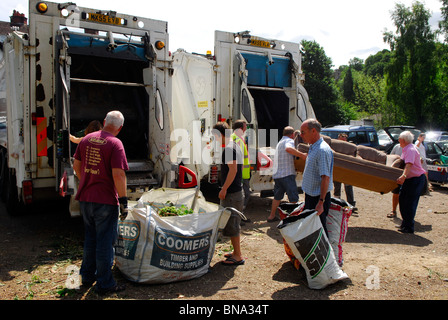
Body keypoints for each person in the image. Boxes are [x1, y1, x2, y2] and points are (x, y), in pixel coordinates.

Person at [73, 110, 129, 294]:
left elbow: (76, 166)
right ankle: (105, 284)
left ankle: (87, 277)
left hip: (86, 198)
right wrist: (123, 201)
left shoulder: (87, 139)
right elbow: (119, 174)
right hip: (105, 200)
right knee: (105, 242)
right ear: (119, 128)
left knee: (91, 238)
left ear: (104, 121)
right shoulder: (115, 143)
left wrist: (88, 181)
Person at [213, 122, 245, 266]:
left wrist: (224, 188)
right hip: (237, 190)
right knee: (232, 223)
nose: (215, 139)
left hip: (232, 193)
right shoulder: (236, 146)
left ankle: (238, 255)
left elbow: (233, 170)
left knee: (232, 224)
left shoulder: (229, 149)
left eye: (215, 135)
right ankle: (235, 252)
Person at [296, 119, 334, 235]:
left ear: (313, 131)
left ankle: (325, 253)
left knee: (320, 230)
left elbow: (325, 178)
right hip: (311, 196)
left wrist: (321, 202)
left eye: (303, 132)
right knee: (312, 230)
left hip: (318, 198)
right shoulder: (313, 147)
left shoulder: (322, 150)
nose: (301, 136)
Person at [267, 126, 302, 222]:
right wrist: (302, 155)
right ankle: (293, 218)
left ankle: (271, 216)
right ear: (292, 134)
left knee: (277, 197)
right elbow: (288, 149)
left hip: (278, 175)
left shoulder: (279, 143)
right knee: (293, 197)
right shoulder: (289, 141)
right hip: (287, 174)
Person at [396, 131, 426, 234]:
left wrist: (403, 176)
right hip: (411, 179)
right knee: (403, 200)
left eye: (399, 139)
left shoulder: (410, 150)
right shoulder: (406, 149)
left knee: (410, 203)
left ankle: (409, 227)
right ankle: (405, 224)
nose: (398, 140)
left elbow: (408, 165)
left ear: (403, 140)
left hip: (415, 179)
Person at [333, 133, 357, 212]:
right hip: (337, 170)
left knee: (348, 187)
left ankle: (351, 204)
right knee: (337, 187)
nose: (342, 141)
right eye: (341, 140)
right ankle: (337, 203)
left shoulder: (350, 147)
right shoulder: (335, 146)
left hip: (347, 171)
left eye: (344, 140)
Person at [231, 120, 251, 209]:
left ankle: (239, 215)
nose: (246, 128)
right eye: (245, 127)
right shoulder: (238, 140)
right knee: (244, 195)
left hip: (240, 173)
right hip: (242, 174)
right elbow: (240, 159)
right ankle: (240, 215)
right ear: (240, 128)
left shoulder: (233, 137)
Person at [388, 143, 402, 218]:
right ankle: (393, 211)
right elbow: (391, 156)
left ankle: (404, 214)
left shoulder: (413, 149)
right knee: (395, 193)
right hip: (397, 173)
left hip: (406, 174)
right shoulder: (397, 146)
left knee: (404, 195)